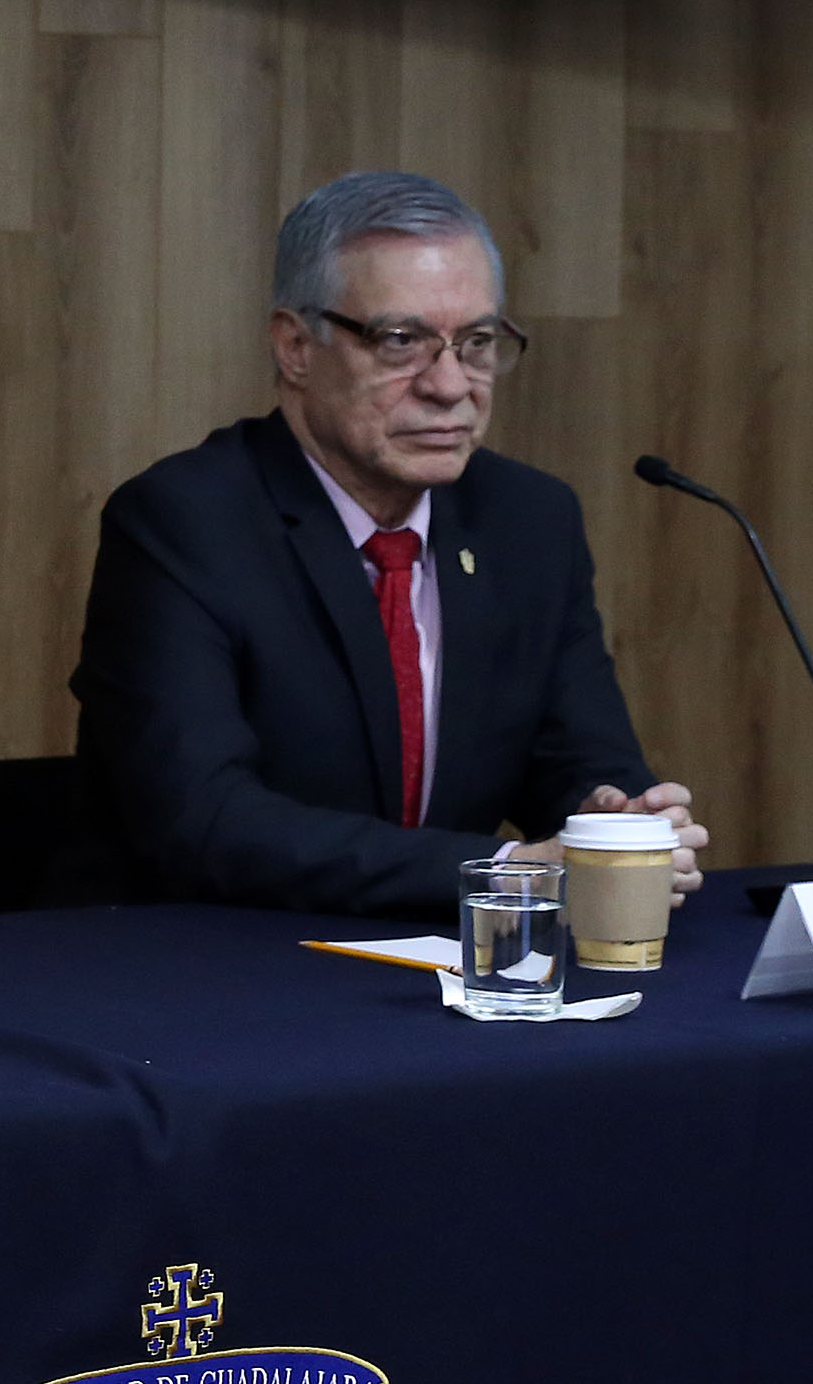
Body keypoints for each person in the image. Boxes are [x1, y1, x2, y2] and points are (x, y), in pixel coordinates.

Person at [71, 169, 708, 917]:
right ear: (295, 346)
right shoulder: (185, 521)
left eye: (476, 343)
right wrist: (502, 870)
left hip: (435, 965)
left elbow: (576, 760)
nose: (450, 386)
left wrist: (622, 825)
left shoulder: (528, 520)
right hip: (201, 957)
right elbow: (203, 818)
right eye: (401, 341)